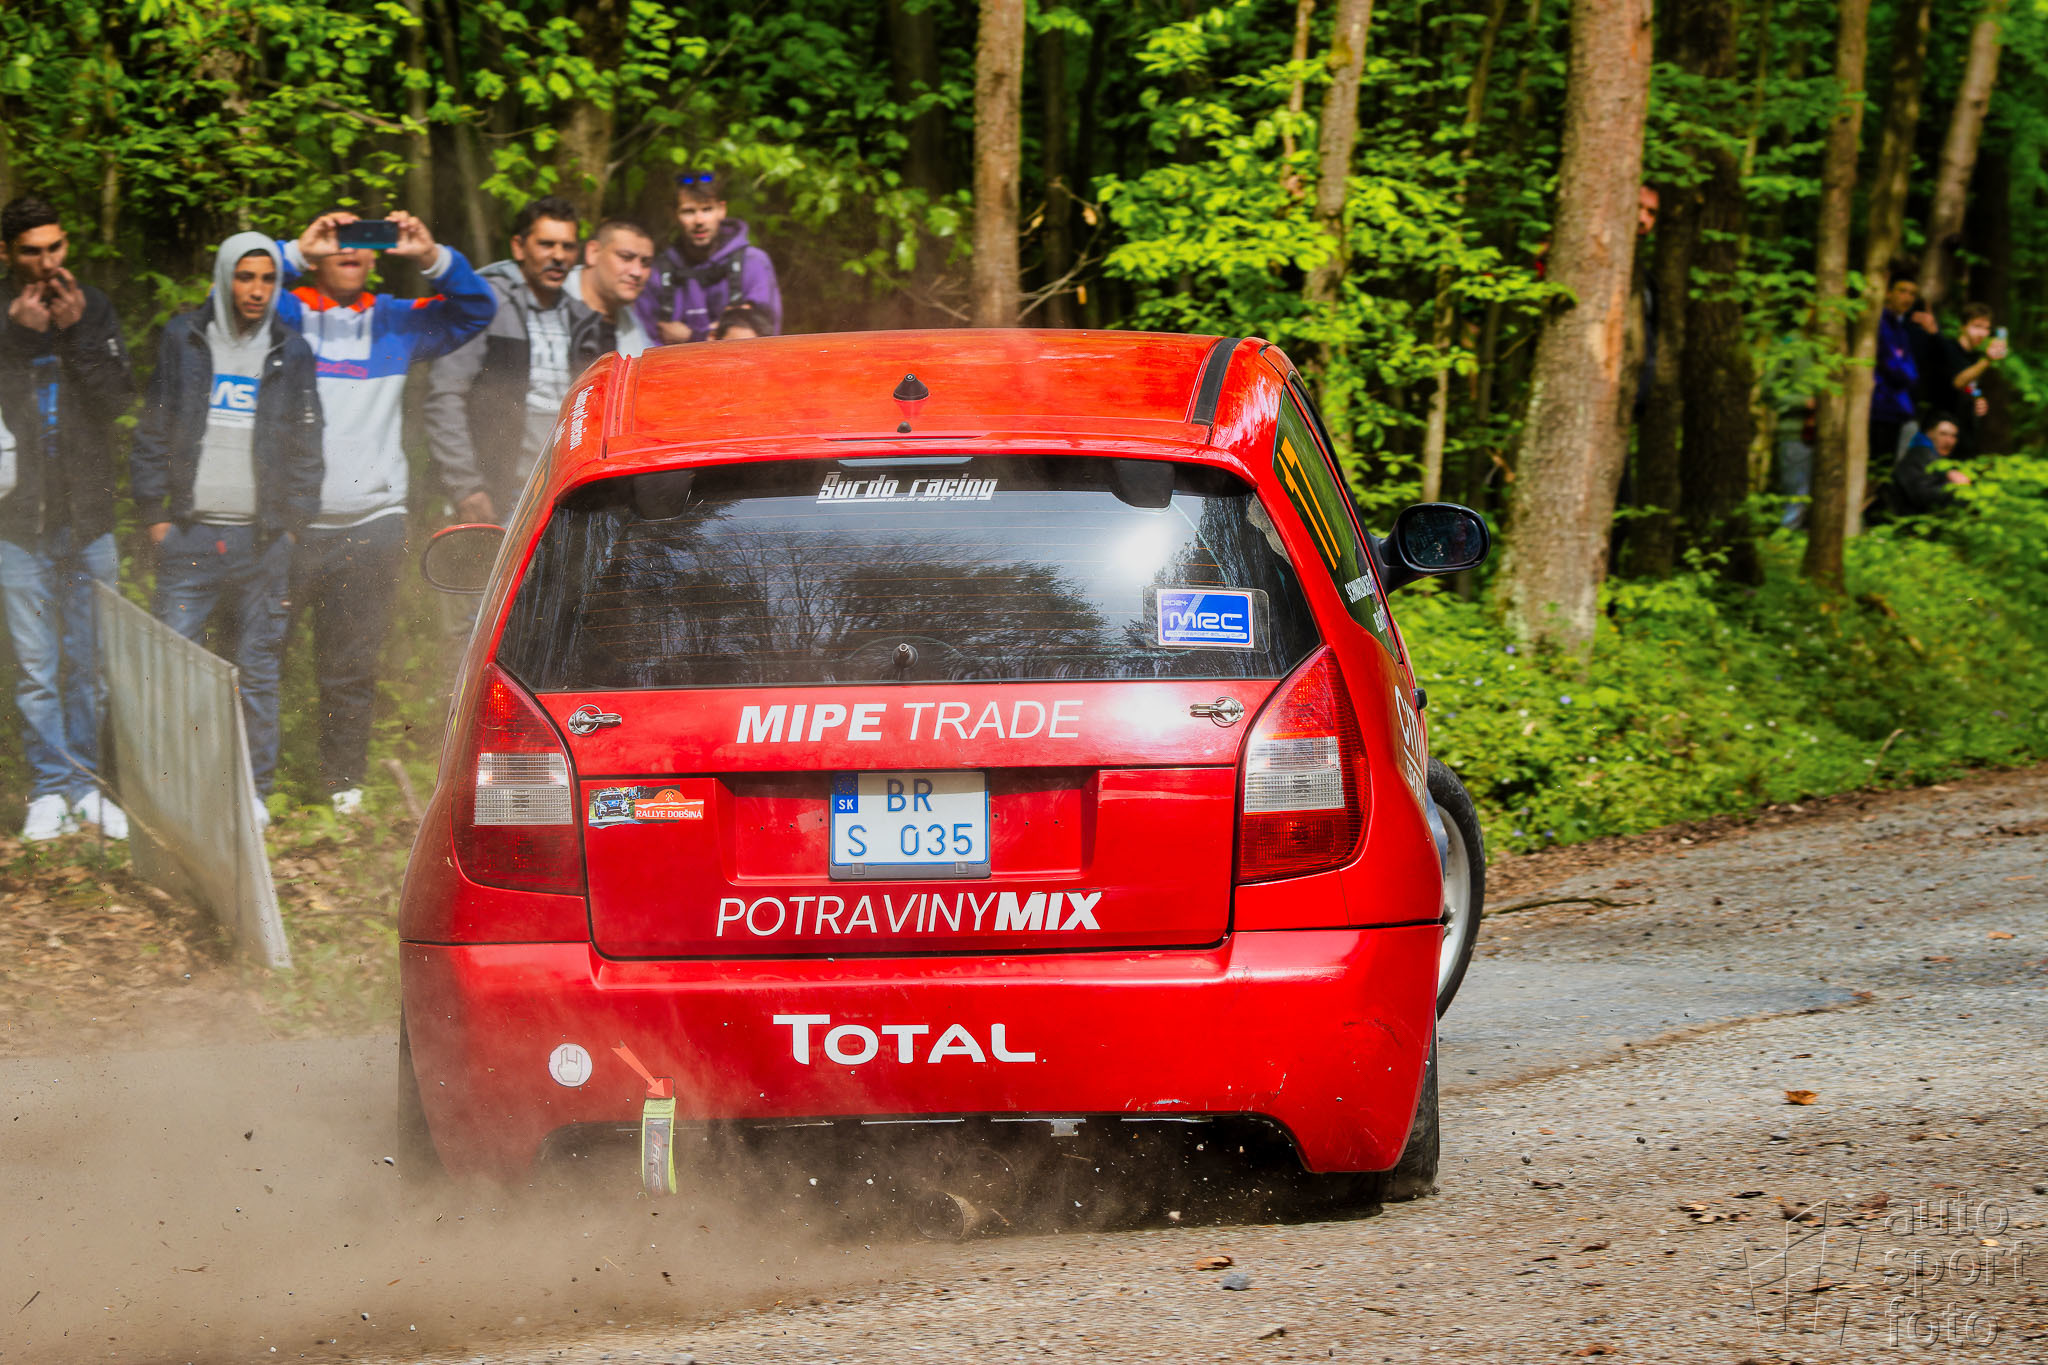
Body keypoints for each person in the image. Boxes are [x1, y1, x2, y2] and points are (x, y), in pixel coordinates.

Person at [275, 210, 495, 814]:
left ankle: (341, 787)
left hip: (372, 521)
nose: (349, 251)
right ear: (318, 254)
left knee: (350, 664)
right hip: (292, 525)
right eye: (336, 241)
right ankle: (256, 782)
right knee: (264, 656)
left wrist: (430, 256)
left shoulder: (395, 318)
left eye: (362, 242)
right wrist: (295, 252)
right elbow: (236, 295)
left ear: (377, 254)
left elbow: (475, 310)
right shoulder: (290, 312)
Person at [130, 234, 323, 818]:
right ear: (224, 278)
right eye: (245, 277)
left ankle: (251, 796)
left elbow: (307, 444)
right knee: (174, 669)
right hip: (190, 535)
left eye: (267, 279)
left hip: (261, 541)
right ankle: (174, 794)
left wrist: (291, 527)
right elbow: (154, 429)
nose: (256, 290)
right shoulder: (184, 339)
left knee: (257, 671)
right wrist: (155, 517)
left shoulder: (291, 349)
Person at [0, 196, 135, 842]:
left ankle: (87, 785)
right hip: (16, 521)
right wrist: (20, 339)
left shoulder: (94, 306)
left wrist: (77, 332)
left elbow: (117, 400)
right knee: (36, 666)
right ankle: (49, 788)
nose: (47, 262)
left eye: (55, 247)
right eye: (32, 251)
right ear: (7, 254)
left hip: (87, 518)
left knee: (90, 662)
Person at [425, 197, 614, 525]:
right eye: (546, 244)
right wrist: (465, 487)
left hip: (566, 491)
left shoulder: (583, 320)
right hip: (500, 492)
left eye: (568, 246)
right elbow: (444, 396)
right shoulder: (484, 307)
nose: (558, 256)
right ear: (518, 247)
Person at [637, 170, 783, 345]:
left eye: (707, 209)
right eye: (688, 211)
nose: (699, 221)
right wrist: (721, 331)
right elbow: (645, 341)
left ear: (722, 210)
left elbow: (763, 338)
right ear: (673, 215)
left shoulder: (753, 262)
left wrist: (693, 336)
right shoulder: (657, 272)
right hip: (675, 364)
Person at [565, 218, 656, 359]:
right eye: (626, 257)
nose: (637, 272)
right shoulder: (549, 299)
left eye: (646, 263)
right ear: (593, 252)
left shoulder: (632, 325)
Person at [1934, 303, 2009, 460]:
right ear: (1963, 326)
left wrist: (1978, 398)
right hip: (1941, 430)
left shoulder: (1975, 357)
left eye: (1986, 328)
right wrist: (1987, 360)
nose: (1982, 333)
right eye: (1977, 326)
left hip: (1966, 432)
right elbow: (1958, 382)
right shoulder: (1947, 348)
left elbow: (1970, 387)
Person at [1870, 269, 1921, 470]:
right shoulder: (1880, 322)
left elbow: (1909, 368)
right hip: (1880, 407)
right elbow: (1893, 364)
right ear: (1888, 293)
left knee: (1888, 467)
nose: (1907, 298)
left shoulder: (1901, 327)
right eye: (1902, 291)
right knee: (1877, 466)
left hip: (1897, 409)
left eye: (1912, 293)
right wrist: (1907, 374)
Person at [1886, 413, 1971, 515]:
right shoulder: (1920, 454)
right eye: (1943, 434)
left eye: (1953, 436)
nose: (1949, 441)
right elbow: (1921, 495)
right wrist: (1954, 486)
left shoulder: (1932, 456)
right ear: (1929, 433)